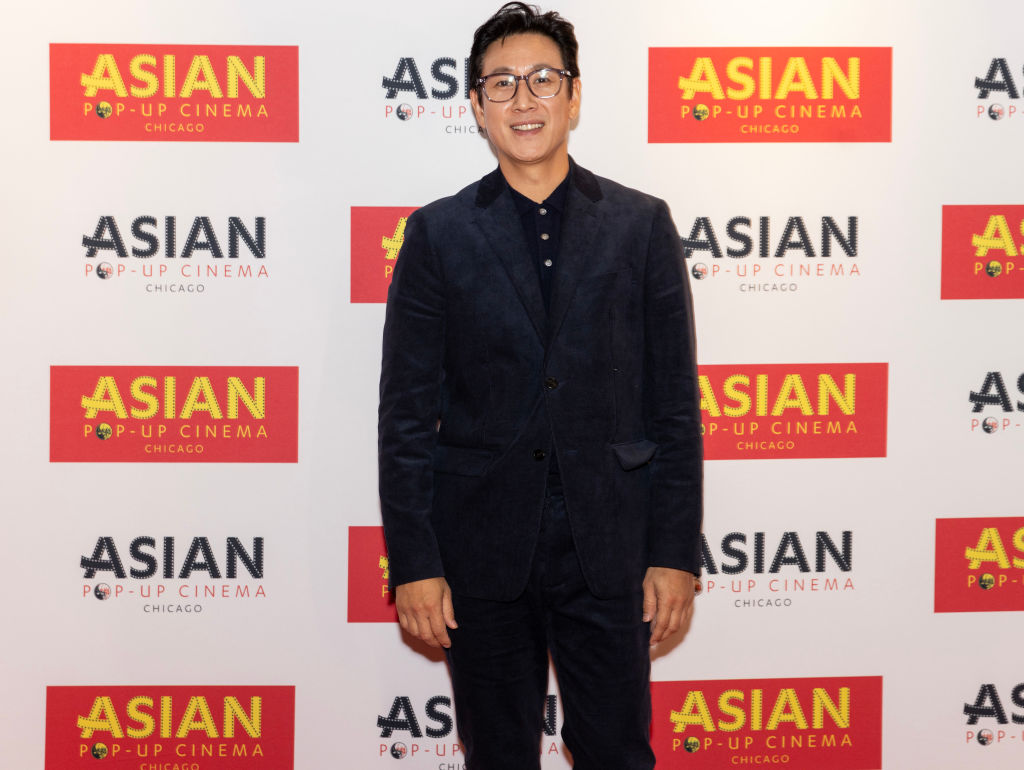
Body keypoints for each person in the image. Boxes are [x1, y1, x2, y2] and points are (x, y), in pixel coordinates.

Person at [378, 3, 703, 767]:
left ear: (574, 94)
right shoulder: (437, 234)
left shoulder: (641, 225)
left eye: (543, 79)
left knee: (618, 752)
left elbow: (674, 408)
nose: (523, 99)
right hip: (481, 550)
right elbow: (405, 416)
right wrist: (415, 562)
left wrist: (675, 553)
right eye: (501, 83)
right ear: (476, 106)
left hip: (611, 549)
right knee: (497, 754)